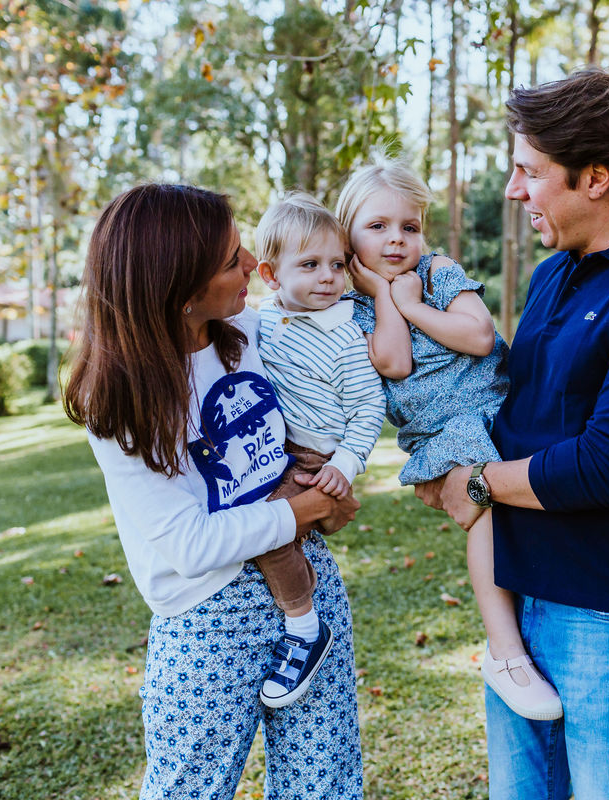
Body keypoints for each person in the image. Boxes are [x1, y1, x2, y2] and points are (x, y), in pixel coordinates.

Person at [416, 68, 609, 799]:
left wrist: (472, 483)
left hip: (608, 613)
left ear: (596, 178)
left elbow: (608, 466)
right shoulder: (558, 274)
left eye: (530, 171)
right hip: (519, 600)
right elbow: (520, 416)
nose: (515, 190)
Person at [63, 184, 363, 800]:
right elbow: (190, 546)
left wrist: (329, 474)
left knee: (324, 786)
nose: (254, 262)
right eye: (231, 260)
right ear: (178, 291)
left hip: (307, 583)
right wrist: (303, 508)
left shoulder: (256, 331)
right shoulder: (117, 401)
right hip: (208, 618)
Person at [337, 155, 563, 721]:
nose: (396, 240)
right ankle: (504, 653)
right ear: (347, 238)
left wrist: (411, 300)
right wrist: (387, 299)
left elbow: (480, 335)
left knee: (532, 502)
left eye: (408, 227)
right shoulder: (348, 306)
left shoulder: (437, 273)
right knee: (485, 507)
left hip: (499, 406)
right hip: (444, 432)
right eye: (377, 227)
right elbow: (391, 362)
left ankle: (537, 623)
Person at [249, 191, 385, 708]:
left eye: (336, 265)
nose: (328, 277)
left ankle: (304, 626)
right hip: (269, 445)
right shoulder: (262, 317)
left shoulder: (345, 334)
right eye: (310, 265)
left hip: (310, 456)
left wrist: (345, 467)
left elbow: (368, 409)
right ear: (270, 274)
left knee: (265, 527)